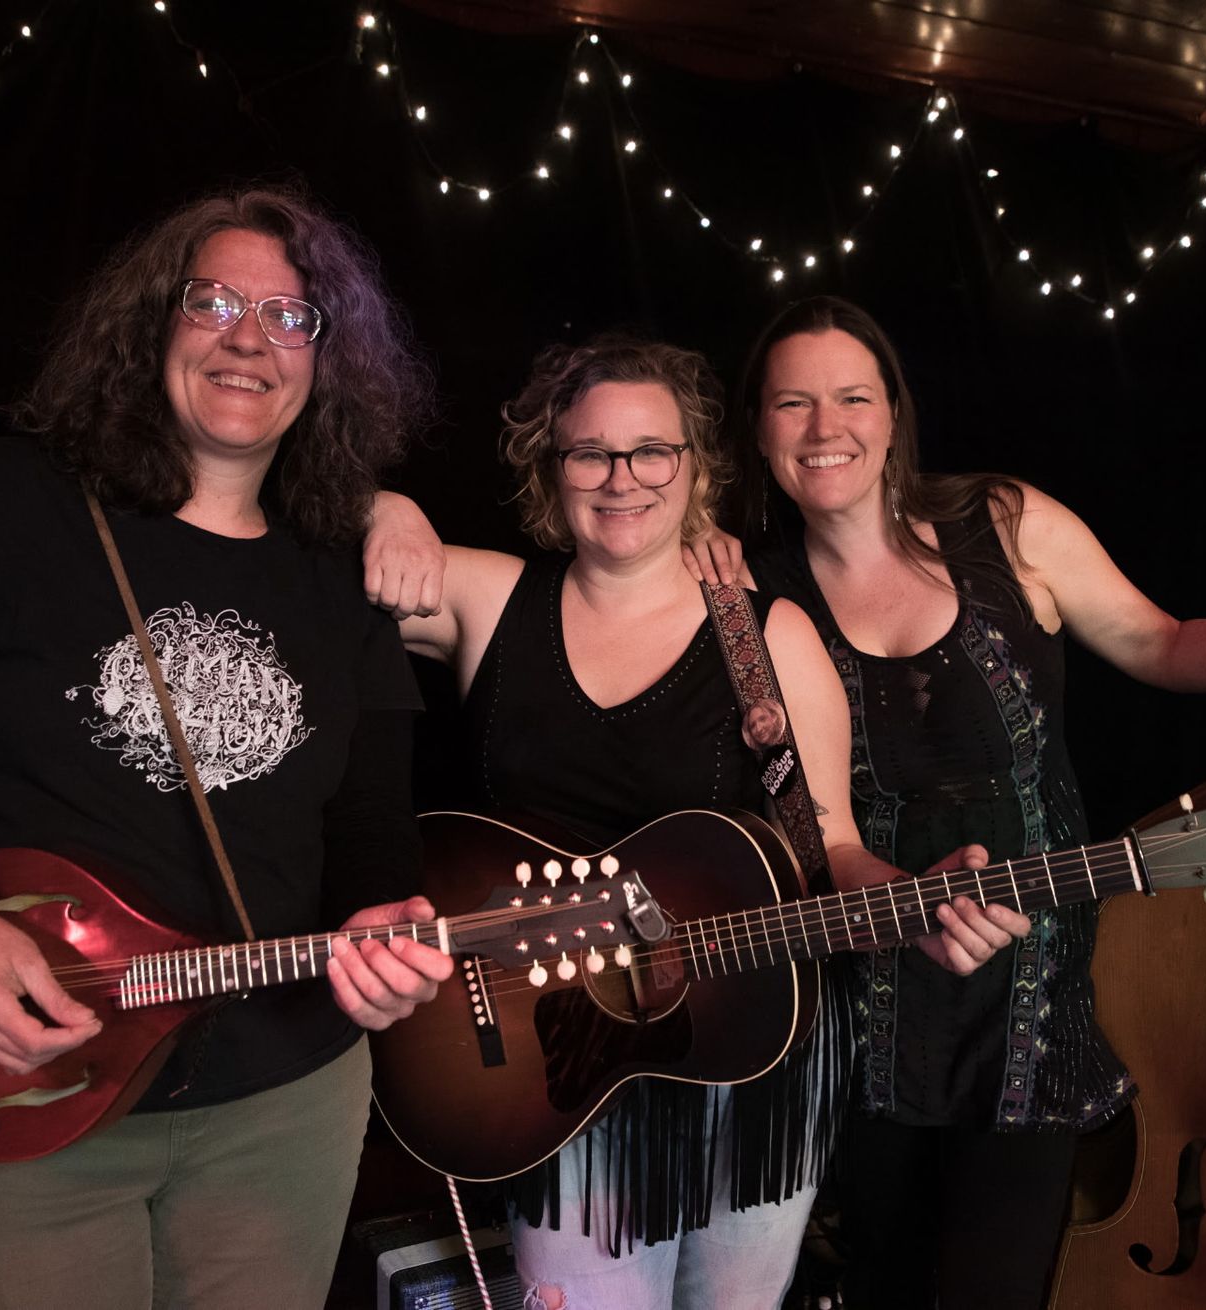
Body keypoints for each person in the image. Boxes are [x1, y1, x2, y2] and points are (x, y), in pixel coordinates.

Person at [0, 186, 453, 1308]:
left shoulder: (345, 566)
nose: (249, 337)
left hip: (282, 1103)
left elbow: (369, 820)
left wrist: (384, 923)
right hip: (26, 1090)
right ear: (153, 322)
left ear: (325, 360)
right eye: (215, 301)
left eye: (292, 317)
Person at [686, 295, 1206, 1308]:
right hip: (861, 1003)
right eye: (793, 404)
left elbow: (1161, 642)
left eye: (852, 397)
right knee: (878, 1277)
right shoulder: (750, 588)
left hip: (1033, 994)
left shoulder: (1002, 519)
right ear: (757, 431)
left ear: (894, 412)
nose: (827, 429)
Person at [378, 335, 1021, 1310]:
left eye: (652, 451)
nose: (621, 478)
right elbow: (281, 549)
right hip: (549, 1075)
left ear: (695, 467)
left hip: (745, 1068)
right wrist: (386, 509)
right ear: (551, 470)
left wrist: (911, 903)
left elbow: (831, 847)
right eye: (590, 452)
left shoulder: (771, 636)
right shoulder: (488, 597)